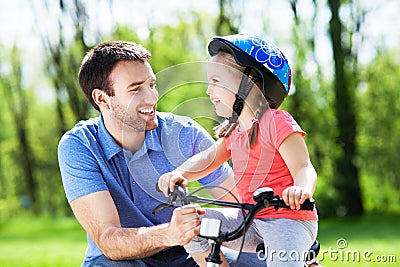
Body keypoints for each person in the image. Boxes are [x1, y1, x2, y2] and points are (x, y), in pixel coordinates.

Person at [58, 40, 264, 267]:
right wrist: (171, 233)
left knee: (263, 258)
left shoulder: (184, 134)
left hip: (187, 256)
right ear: (102, 99)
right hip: (122, 261)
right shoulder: (80, 146)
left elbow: (241, 204)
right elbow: (108, 240)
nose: (152, 98)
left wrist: (291, 243)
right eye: (136, 89)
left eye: (152, 84)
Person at [158, 34, 319, 267]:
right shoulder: (235, 131)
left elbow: (304, 166)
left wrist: (301, 189)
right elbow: (209, 158)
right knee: (188, 225)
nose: (208, 90)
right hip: (249, 221)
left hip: (287, 219)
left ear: (249, 81)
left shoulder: (277, 122)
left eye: (216, 81)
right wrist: (179, 173)